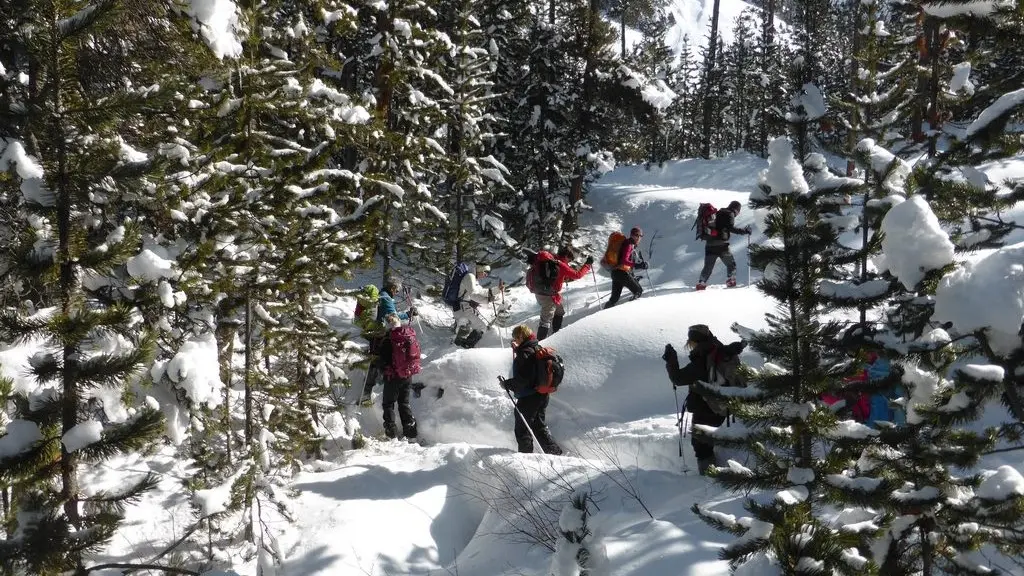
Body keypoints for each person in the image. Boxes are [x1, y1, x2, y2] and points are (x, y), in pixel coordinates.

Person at [662, 324, 744, 475]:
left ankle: (709, 477)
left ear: (694, 340)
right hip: (722, 406)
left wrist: (671, 360)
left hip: (706, 407)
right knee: (709, 439)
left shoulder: (703, 357)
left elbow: (678, 379)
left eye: (690, 340)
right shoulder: (719, 350)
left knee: (701, 444)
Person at [499, 325, 563, 455]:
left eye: (516, 338)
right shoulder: (536, 347)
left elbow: (524, 379)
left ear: (521, 336)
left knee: (522, 428)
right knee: (538, 426)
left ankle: (525, 457)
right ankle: (554, 453)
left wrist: (507, 384)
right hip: (542, 395)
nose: (515, 340)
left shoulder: (524, 353)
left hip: (529, 397)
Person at [361, 276, 416, 404]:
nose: (396, 293)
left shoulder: (383, 295)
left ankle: (370, 391)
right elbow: (393, 317)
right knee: (376, 362)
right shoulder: (385, 298)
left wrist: (406, 314)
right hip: (380, 335)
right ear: (392, 287)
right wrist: (407, 314)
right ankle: (367, 394)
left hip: (376, 334)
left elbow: (391, 315)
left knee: (377, 361)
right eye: (396, 290)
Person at [530, 246, 593, 340]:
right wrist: (587, 265)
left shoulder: (551, 259)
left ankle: (556, 334)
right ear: (567, 256)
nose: (569, 262)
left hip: (541, 292)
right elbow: (577, 275)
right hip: (548, 295)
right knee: (545, 320)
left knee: (559, 312)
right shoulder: (561, 264)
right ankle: (539, 345)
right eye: (570, 259)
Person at [376, 314, 417, 440]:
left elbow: (382, 360)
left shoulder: (388, 340)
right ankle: (410, 431)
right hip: (407, 375)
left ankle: (391, 432)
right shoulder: (407, 336)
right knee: (404, 402)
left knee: (388, 404)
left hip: (392, 377)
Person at [696, 200, 751, 290]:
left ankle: (701, 283)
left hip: (709, 245)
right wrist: (744, 231)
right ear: (737, 210)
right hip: (722, 246)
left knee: (708, 267)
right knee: (731, 264)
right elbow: (731, 228)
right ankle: (731, 281)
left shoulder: (719, 212)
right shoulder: (730, 214)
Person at [454, 263, 499, 348]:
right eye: (485, 272)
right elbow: (474, 293)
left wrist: (492, 295)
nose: (486, 275)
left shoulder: (473, 279)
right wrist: (489, 296)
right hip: (461, 306)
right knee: (480, 327)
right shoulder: (470, 277)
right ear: (480, 270)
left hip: (463, 306)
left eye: (487, 273)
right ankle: (464, 347)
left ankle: (460, 346)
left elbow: (478, 294)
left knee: (474, 327)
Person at [603, 227, 646, 309]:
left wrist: (633, 277)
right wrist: (638, 265)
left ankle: (601, 314)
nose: (639, 238)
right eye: (639, 236)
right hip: (622, 273)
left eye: (640, 236)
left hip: (615, 273)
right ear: (634, 236)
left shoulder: (626, 243)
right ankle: (628, 313)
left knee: (614, 299)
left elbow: (624, 263)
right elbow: (624, 261)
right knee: (638, 291)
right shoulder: (629, 244)